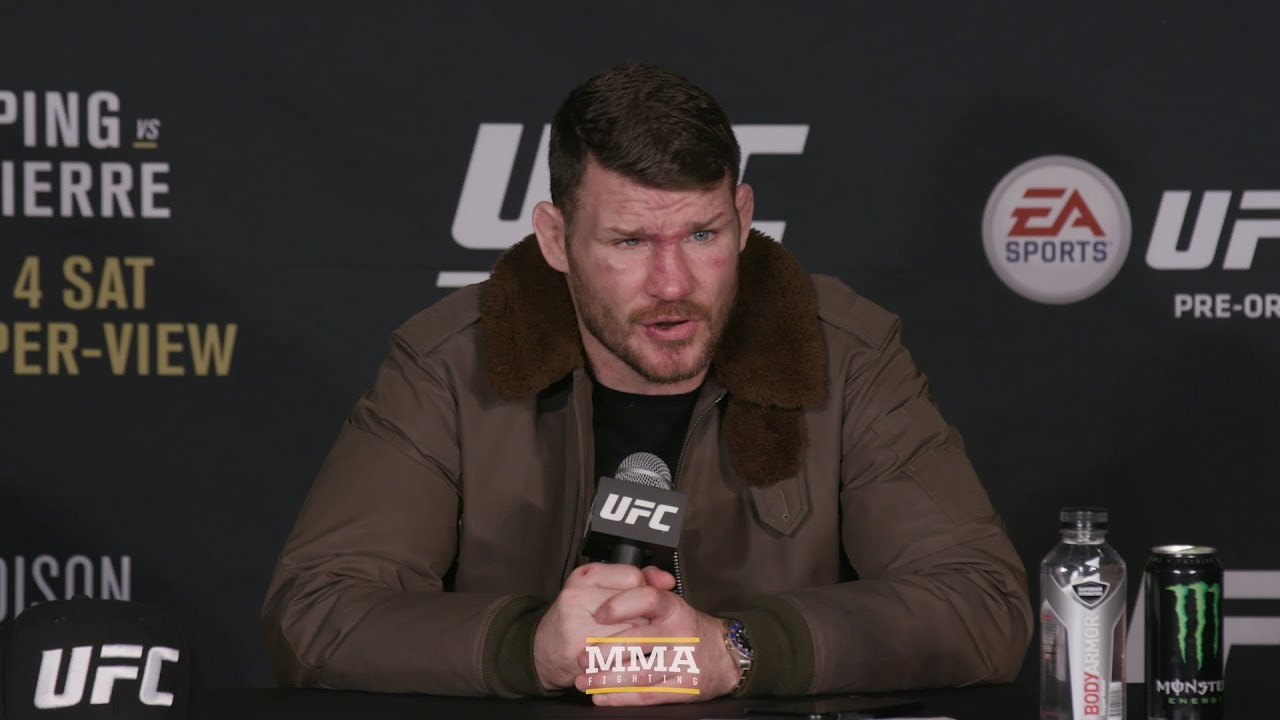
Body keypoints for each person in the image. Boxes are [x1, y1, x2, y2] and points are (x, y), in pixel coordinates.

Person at [261, 63, 1032, 706]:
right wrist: (529, 648)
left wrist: (734, 650)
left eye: (702, 234)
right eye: (630, 241)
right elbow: (315, 612)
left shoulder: (845, 354)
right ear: (556, 239)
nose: (673, 284)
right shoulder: (450, 365)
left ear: (743, 217)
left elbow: (983, 605)